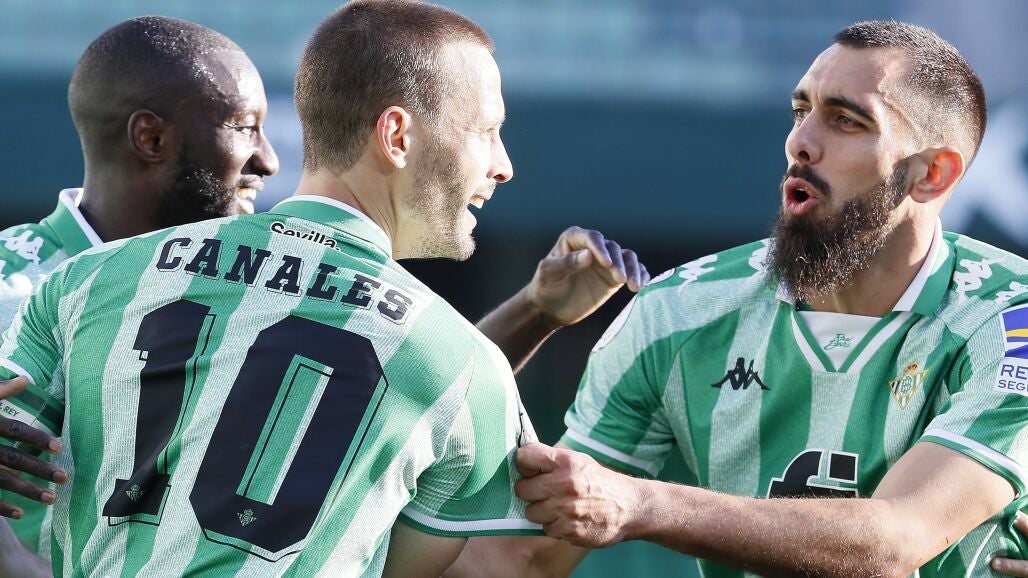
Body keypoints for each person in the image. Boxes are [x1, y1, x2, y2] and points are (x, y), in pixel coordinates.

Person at [0, 1, 647, 576]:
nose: (503, 165)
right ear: (397, 136)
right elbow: (493, 560)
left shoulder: (83, 282)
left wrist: (534, 312)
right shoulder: (463, 361)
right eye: (487, 130)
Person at [449, 20, 1028, 577]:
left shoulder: (1010, 315)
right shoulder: (675, 310)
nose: (800, 142)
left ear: (932, 174)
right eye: (800, 111)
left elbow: (895, 540)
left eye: (846, 121)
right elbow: (521, 561)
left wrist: (641, 504)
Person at [0, 14, 279, 560]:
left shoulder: (253, 299)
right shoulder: (15, 288)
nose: (268, 160)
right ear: (150, 137)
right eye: (245, 127)